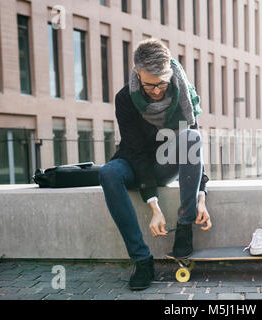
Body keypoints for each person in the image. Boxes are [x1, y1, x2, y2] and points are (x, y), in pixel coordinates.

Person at [99, 39, 212, 291]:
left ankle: (184, 226)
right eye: (150, 84)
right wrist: (153, 205)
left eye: (162, 82)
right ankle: (142, 261)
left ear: (169, 73)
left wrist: (201, 195)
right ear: (137, 73)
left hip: (165, 164)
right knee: (108, 173)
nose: (158, 90)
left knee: (191, 136)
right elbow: (137, 153)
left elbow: (193, 149)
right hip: (134, 161)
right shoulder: (125, 98)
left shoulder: (182, 92)